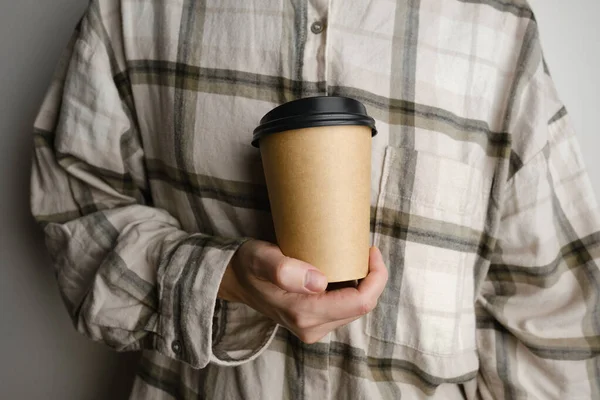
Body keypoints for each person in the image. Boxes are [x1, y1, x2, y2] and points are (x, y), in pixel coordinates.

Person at [30, 0, 600, 398]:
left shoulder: (496, 25)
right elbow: (74, 217)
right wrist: (221, 279)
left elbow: (555, 321)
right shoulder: (132, 10)